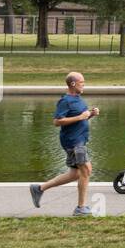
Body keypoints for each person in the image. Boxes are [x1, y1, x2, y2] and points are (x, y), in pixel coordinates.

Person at [30, 72, 100, 215]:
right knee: (86, 170)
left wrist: (90, 115)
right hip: (73, 142)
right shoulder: (65, 101)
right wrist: (81, 116)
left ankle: (39, 189)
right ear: (73, 84)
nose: (84, 85)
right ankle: (81, 208)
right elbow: (57, 121)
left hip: (79, 140)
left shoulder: (79, 99)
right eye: (82, 82)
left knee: (75, 174)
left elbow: (80, 120)